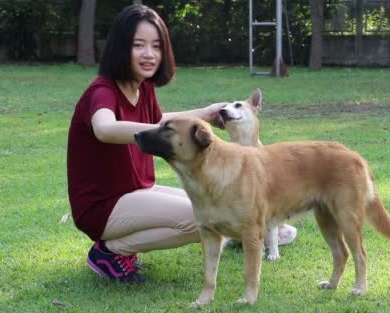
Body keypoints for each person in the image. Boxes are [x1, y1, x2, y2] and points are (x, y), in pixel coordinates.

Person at [67, 4, 296, 283]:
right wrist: (167, 134)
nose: (149, 54)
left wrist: (205, 114)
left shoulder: (143, 88)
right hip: (102, 204)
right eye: (138, 45)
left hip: (135, 190)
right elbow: (105, 128)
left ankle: (116, 248)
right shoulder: (102, 91)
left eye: (155, 46)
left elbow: (159, 119)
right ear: (120, 47)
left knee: (209, 204)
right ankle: (111, 251)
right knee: (199, 219)